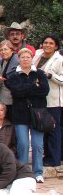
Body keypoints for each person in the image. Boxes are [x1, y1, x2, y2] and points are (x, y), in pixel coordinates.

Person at [5, 48, 49, 182]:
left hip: (38, 114)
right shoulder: (13, 75)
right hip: (20, 114)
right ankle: (23, 171)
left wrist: (25, 89)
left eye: (28, 57)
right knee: (23, 144)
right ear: (19, 59)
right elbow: (16, 92)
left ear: (32, 58)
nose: (25, 59)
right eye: (22, 57)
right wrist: (33, 86)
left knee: (37, 145)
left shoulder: (39, 74)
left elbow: (44, 91)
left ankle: (38, 172)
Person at [31, 35, 62, 167]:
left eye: (51, 43)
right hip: (40, 99)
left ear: (55, 46)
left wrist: (50, 76)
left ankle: (54, 159)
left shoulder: (59, 59)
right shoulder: (38, 56)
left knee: (53, 129)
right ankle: (47, 156)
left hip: (54, 100)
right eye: (45, 42)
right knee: (44, 128)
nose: (47, 45)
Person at [0, 40, 19, 116]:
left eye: (6, 49)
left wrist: (5, 79)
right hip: (3, 98)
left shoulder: (17, 60)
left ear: (11, 50)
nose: (3, 52)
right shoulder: (1, 61)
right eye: (1, 50)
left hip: (13, 98)